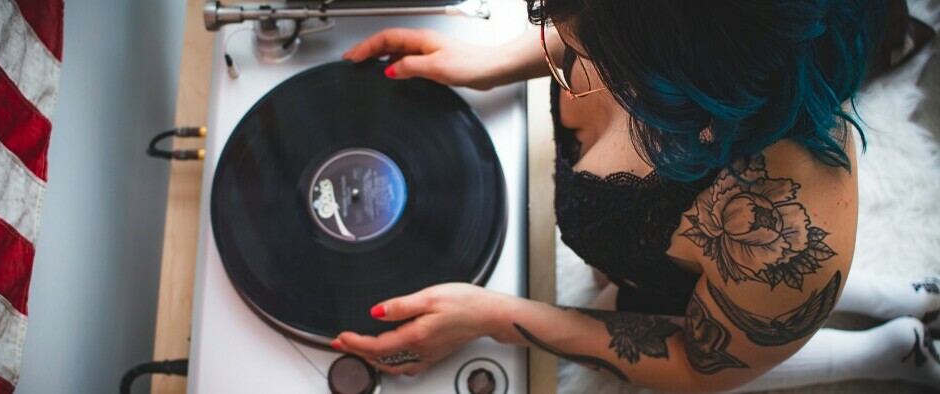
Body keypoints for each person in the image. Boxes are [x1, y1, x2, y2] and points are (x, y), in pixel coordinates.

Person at [331, 0, 940, 391]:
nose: (560, 41)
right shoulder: (629, 25)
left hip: (704, 312)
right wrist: (492, 63)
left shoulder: (788, 218)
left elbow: (701, 367)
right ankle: (889, 301)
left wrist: (500, 319)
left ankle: (886, 353)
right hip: (721, 278)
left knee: (759, 325)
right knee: (766, 305)